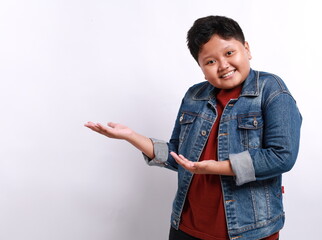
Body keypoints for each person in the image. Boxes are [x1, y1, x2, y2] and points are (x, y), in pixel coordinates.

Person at [85, 15, 302, 240]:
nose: (223, 65)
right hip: (186, 227)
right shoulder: (194, 96)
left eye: (229, 53)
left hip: (249, 231)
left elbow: (282, 157)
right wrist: (131, 136)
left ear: (246, 49)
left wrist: (215, 167)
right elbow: (177, 157)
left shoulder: (271, 90)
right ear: (200, 66)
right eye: (210, 61)